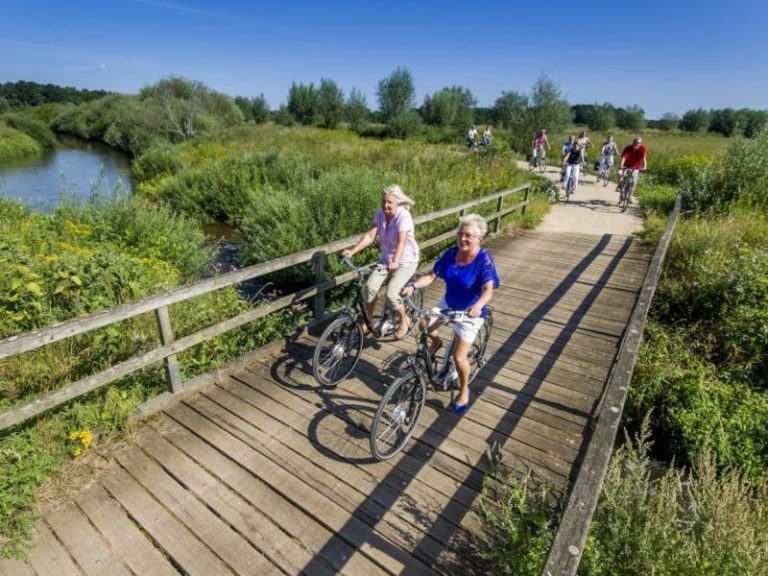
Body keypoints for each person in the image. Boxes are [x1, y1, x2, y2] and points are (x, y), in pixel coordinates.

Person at [401, 214, 499, 414]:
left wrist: (478, 306)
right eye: (460, 234)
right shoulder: (451, 253)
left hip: (470, 311)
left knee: (459, 358)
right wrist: (412, 286)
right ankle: (436, 343)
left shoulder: (484, 259)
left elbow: (488, 290)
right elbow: (431, 276)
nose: (462, 238)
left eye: (468, 235)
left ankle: (463, 390)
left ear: (479, 237)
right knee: (424, 325)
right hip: (449, 303)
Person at [342, 184, 420, 339]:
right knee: (370, 287)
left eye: (389, 202)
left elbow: (401, 242)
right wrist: (352, 251)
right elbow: (370, 236)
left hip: (406, 261)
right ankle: (368, 321)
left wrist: (396, 261)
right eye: (383, 201)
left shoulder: (403, 216)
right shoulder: (380, 214)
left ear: (397, 202)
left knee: (391, 293)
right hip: (386, 259)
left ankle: (404, 319)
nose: (385, 205)